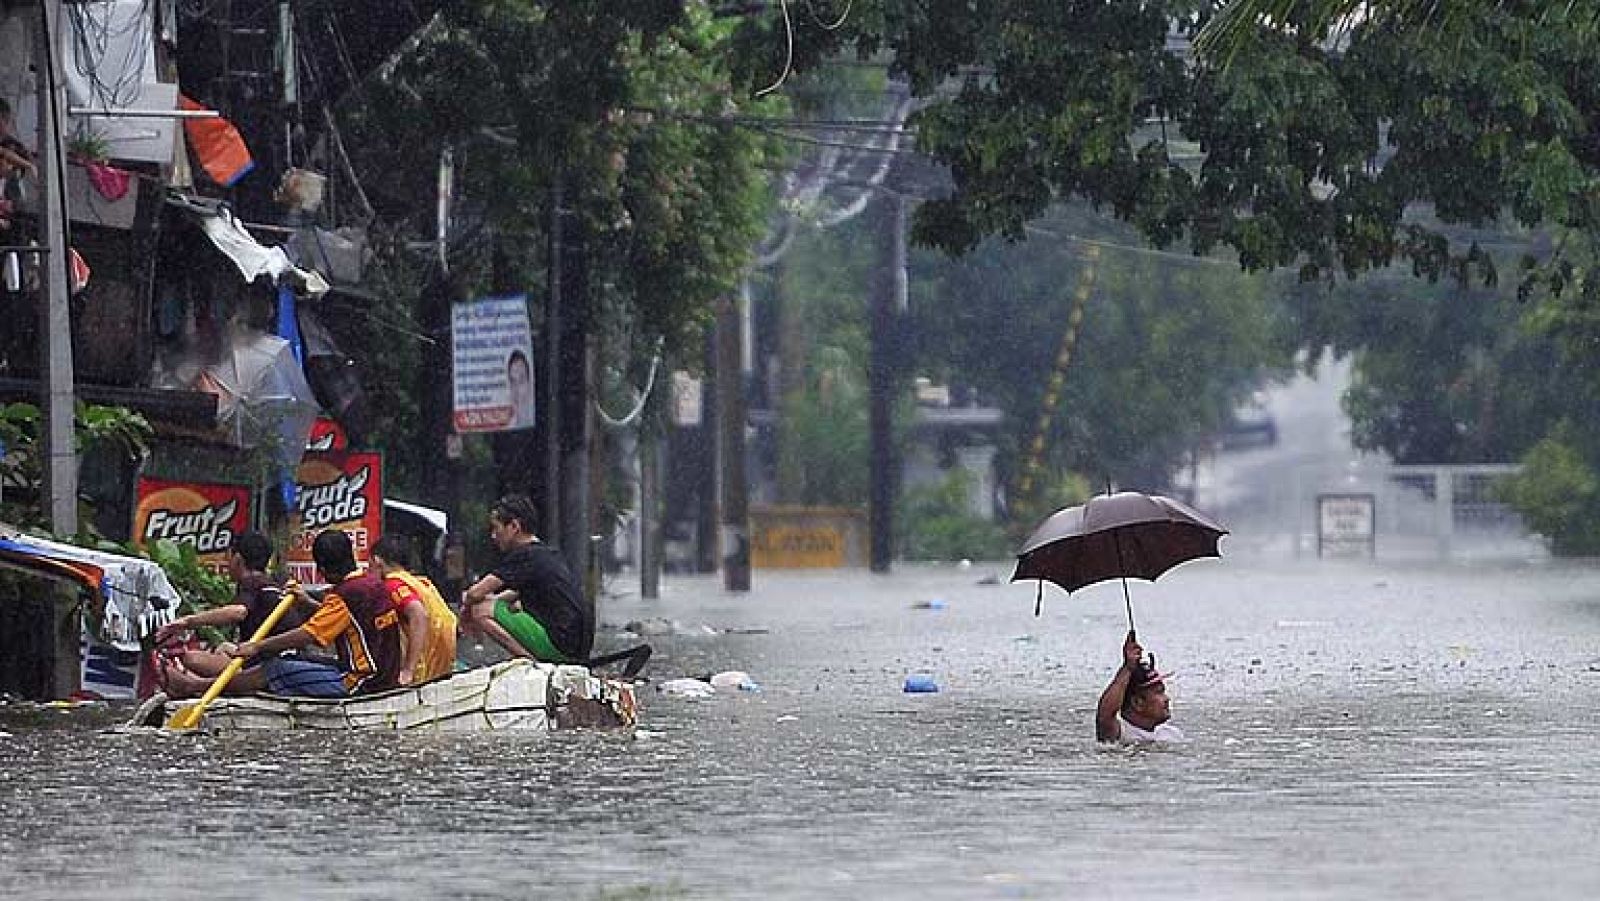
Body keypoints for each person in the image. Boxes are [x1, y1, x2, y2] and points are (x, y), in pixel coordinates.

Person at [216, 529, 414, 697]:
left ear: (322, 569)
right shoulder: (373, 584)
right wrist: (307, 601)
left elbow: (308, 635)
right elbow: (345, 619)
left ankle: (197, 686)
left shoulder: (345, 594)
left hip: (360, 683)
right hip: (384, 678)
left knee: (274, 668)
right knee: (295, 661)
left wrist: (258, 646)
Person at [153, 530, 305, 694]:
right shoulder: (274, 585)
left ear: (237, 558)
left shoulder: (252, 581)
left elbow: (237, 612)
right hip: (283, 660)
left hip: (267, 666)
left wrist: (186, 621)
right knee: (222, 649)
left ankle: (192, 686)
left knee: (192, 659)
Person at [459, 494, 593, 664]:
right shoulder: (546, 553)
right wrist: (494, 600)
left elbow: (475, 594)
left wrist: (466, 610)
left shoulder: (524, 555)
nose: (493, 536)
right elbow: (514, 593)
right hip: (576, 645)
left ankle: (529, 663)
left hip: (560, 644)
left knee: (480, 608)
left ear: (514, 526)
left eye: (496, 528)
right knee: (498, 605)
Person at [371, 534, 458, 684]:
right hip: (441, 670)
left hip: (419, 673)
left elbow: (418, 614)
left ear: (377, 561)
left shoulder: (393, 585)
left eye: (369, 564)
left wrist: (408, 670)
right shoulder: (422, 584)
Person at [1096, 630, 1185, 744]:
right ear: (1138, 702)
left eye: (1163, 692)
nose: (1167, 699)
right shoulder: (1121, 734)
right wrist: (1128, 667)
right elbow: (1105, 716)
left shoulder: (1173, 734)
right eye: (1159, 693)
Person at [507, 349, 534, 430]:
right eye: (513, 381)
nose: (517, 390)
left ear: (529, 384)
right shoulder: (509, 425)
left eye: (521, 381)